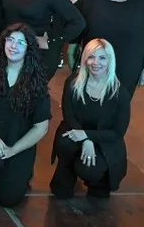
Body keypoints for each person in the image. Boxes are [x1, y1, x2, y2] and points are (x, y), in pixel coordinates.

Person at [0, 23, 52, 207]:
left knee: (9, 199)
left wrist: (13, 150)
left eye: (20, 42)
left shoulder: (37, 81)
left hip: (19, 143)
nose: (14, 46)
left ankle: (19, 172)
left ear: (28, 48)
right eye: (10, 40)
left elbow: (41, 127)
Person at [50, 39, 131, 200]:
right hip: (76, 131)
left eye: (102, 58)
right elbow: (69, 116)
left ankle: (99, 183)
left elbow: (117, 132)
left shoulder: (119, 93)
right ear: (85, 59)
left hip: (104, 140)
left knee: (90, 170)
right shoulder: (73, 83)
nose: (96, 63)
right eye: (91, 57)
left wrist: (88, 136)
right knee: (65, 142)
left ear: (110, 60)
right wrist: (85, 139)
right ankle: (66, 174)